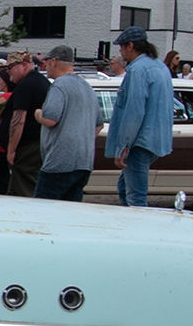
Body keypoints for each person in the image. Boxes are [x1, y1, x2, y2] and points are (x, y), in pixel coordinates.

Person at [105, 26, 173, 207]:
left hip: (139, 140)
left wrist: (124, 144)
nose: (120, 52)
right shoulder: (160, 67)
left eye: (121, 47)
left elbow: (134, 110)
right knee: (125, 188)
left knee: (136, 197)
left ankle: (139, 232)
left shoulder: (137, 70)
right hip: (156, 137)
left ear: (130, 45)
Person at [32, 45, 103, 201]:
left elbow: (50, 119)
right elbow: (99, 124)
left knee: (43, 208)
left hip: (59, 163)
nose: (45, 66)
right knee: (70, 212)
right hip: (84, 162)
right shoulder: (87, 87)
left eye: (47, 62)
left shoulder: (59, 85)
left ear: (54, 61)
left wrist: (38, 114)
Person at [3, 50, 50, 197]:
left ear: (23, 65)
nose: (8, 72)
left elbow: (19, 120)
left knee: (24, 190)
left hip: (28, 148)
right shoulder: (41, 81)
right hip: (37, 145)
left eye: (10, 68)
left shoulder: (27, 85)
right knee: (17, 189)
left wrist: (11, 150)